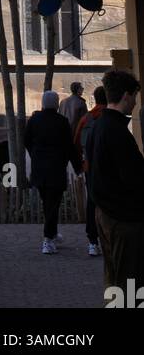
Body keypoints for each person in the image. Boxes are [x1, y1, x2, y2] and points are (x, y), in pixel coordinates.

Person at [88, 69, 144, 294]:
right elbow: (134, 178)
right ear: (126, 96)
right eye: (135, 97)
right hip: (123, 218)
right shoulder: (117, 131)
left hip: (106, 212)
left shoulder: (98, 126)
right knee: (128, 282)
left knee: (114, 279)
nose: (135, 103)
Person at [24, 90, 82, 255]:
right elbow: (69, 147)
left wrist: (34, 154)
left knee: (47, 203)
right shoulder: (62, 122)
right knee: (53, 203)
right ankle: (48, 239)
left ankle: (53, 233)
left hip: (39, 169)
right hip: (56, 169)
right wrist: (77, 167)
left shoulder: (34, 120)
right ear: (56, 103)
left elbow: (26, 140)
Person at [74, 85, 108, 257]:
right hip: (109, 168)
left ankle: (92, 241)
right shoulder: (110, 118)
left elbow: (77, 141)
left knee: (92, 201)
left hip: (89, 167)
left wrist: (79, 164)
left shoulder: (86, 118)